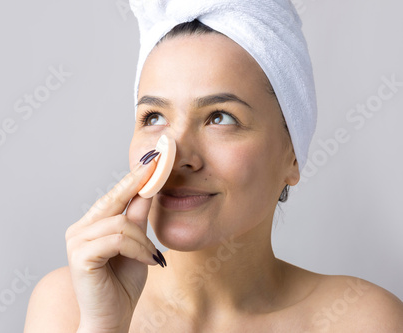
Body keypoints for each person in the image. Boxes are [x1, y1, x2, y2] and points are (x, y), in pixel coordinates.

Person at [24, 1, 403, 332]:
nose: (177, 154)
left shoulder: (363, 320)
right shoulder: (70, 305)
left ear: (292, 154)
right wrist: (103, 327)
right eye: (154, 117)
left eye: (220, 117)